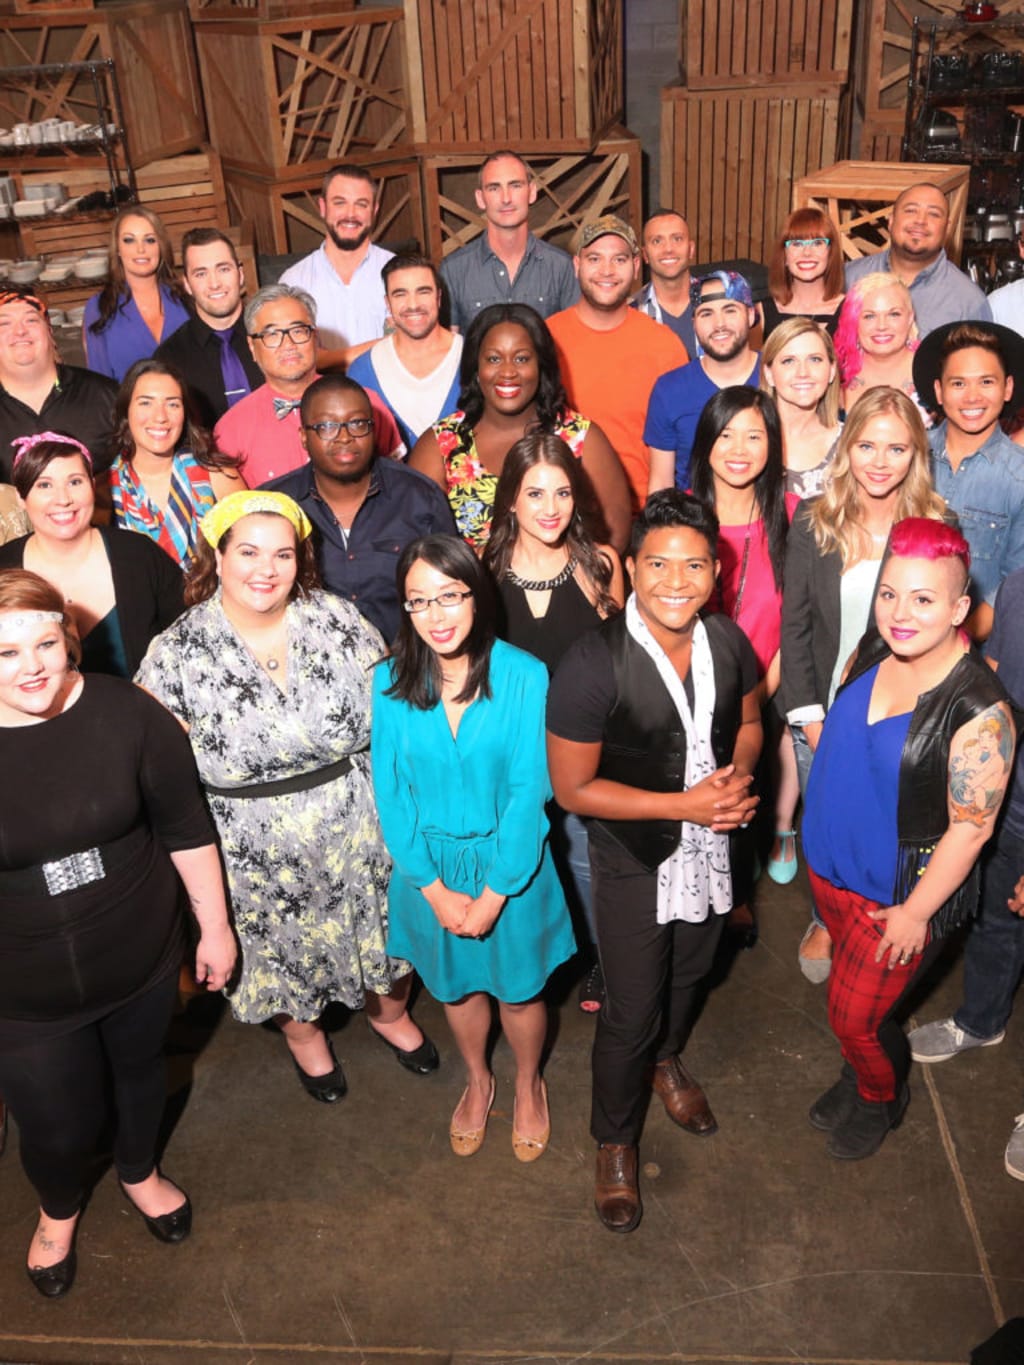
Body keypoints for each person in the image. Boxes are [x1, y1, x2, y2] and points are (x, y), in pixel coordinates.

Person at [137, 491, 437, 1100]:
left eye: (282, 554)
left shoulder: (337, 619)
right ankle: (305, 1037)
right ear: (217, 557)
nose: (266, 570)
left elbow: (394, 718)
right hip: (251, 848)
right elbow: (158, 775)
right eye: (248, 552)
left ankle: (390, 1015)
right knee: (277, 953)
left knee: (385, 933)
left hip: (359, 824)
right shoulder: (176, 653)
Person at [0, 569, 236, 1299]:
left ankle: (139, 1171)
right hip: (24, 992)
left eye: (45, 644)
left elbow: (186, 827)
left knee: (142, 1076)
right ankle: (58, 1207)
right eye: (6, 652)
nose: (32, 666)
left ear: (70, 640)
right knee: (55, 1122)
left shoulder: (128, 712)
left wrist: (215, 928)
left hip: (141, 959)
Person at [547, 491, 762, 1232]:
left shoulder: (727, 640)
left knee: (692, 972)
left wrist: (736, 778)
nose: (677, 580)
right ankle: (614, 1139)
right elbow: (573, 789)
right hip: (633, 856)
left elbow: (751, 720)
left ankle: (666, 1059)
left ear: (716, 571)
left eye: (694, 565)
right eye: (659, 564)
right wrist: (685, 805)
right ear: (631, 568)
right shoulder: (591, 663)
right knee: (630, 1007)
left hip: (713, 846)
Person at [801, 518, 1014, 1160]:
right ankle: (857, 1074)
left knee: (856, 1019)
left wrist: (917, 913)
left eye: (923, 599)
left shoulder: (979, 709)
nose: (899, 613)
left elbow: (971, 831)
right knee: (848, 1007)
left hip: (893, 902)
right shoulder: (875, 647)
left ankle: (880, 1096)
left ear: (959, 609)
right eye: (890, 593)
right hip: (828, 874)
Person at [371, 534, 575, 1161]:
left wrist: (493, 895)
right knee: (455, 989)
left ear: (476, 596)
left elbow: (528, 793)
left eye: (450, 596)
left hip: (511, 864)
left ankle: (528, 1081)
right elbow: (391, 796)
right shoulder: (388, 680)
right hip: (427, 870)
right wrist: (433, 890)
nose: (436, 615)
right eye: (419, 600)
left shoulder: (524, 675)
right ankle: (479, 1078)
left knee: (519, 991)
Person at [781, 387, 948, 981]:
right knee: (826, 828)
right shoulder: (813, 519)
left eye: (897, 448)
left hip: (902, 716)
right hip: (825, 712)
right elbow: (796, 626)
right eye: (867, 446)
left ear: (916, 454)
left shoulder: (936, 526)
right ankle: (824, 919)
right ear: (846, 448)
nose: (880, 461)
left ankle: (886, 916)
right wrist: (811, 720)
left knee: (888, 829)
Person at [483, 432, 624, 1011]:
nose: (550, 508)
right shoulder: (484, 570)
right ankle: (539, 964)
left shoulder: (601, 565)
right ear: (511, 499)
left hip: (586, 749)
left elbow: (622, 668)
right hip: (511, 752)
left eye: (562, 493)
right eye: (535, 493)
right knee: (524, 864)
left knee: (588, 864)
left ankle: (602, 960)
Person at [906, 563, 1024, 1182]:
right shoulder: (1020, 582)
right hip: (1009, 807)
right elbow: (993, 682)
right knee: (994, 922)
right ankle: (982, 1020)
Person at [689, 387, 799, 906]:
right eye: (727, 434)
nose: (739, 449)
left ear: (772, 445)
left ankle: (740, 896)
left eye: (754, 436)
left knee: (747, 794)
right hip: (688, 694)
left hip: (768, 689)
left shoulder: (794, 516)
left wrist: (756, 696)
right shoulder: (680, 514)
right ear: (706, 442)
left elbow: (799, 621)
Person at [409, 302, 630, 553]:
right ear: (476, 367)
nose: (507, 372)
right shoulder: (441, 444)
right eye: (494, 359)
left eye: (521, 359)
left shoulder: (581, 438)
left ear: (541, 365)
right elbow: (419, 547)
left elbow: (614, 539)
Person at [263, 375, 456, 642]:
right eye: (327, 426)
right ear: (304, 437)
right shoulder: (272, 505)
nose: (344, 437)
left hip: (406, 662)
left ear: (374, 430)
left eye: (357, 423)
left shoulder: (419, 497)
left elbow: (454, 592)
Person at [0, 432, 182, 675]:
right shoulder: (4, 568)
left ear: (93, 486)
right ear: (21, 497)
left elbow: (191, 641)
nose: (63, 499)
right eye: (44, 485)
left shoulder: (139, 554)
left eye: (75, 482)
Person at [547, 215, 687, 510]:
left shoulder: (665, 345)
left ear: (636, 266)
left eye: (619, 259)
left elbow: (682, 443)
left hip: (644, 511)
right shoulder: (547, 338)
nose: (607, 271)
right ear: (577, 265)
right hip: (562, 511)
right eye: (594, 258)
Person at [213, 284, 401, 488]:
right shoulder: (231, 429)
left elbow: (397, 486)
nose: (288, 344)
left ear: (315, 337)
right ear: (252, 346)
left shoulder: (367, 403)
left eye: (298, 331)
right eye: (272, 334)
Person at [913, 321, 1024, 642]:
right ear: (939, 391)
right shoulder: (908, 455)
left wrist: (950, 647)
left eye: (986, 382)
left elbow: (1011, 588)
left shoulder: (1018, 479)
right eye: (958, 383)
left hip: (976, 652)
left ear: (1007, 388)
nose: (972, 397)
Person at [95, 359, 240, 569]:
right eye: (146, 403)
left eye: (172, 404)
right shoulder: (103, 488)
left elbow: (251, 551)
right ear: (126, 410)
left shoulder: (217, 475)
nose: (160, 417)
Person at [645, 270, 761, 495]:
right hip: (694, 514)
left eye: (730, 310)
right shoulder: (669, 390)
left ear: (750, 315)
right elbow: (660, 484)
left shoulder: (779, 377)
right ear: (694, 323)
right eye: (706, 314)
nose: (719, 324)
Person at [440, 150, 578, 331]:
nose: (506, 198)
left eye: (515, 185)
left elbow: (573, 339)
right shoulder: (453, 270)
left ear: (532, 192)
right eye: (494, 188)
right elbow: (447, 344)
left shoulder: (562, 267)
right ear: (480, 198)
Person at [279, 163, 393, 365]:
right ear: (323, 207)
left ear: (374, 210)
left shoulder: (400, 272)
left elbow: (410, 349)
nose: (350, 214)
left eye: (361, 204)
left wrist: (326, 358)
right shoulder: (294, 282)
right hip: (322, 387)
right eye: (340, 203)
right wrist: (385, 346)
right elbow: (298, 360)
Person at [347, 254, 462, 451]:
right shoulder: (363, 371)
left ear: (438, 297)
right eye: (400, 294)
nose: (413, 305)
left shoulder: (472, 358)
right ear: (387, 303)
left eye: (423, 292)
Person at [844, 183, 991, 337]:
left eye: (934, 214)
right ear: (891, 221)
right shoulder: (848, 279)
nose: (920, 220)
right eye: (911, 210)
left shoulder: (969, 302)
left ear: (947, 229)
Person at [0, 287, 117, 480]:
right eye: (4, 323)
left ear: (49, 331)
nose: (20, 331)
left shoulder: (106, 395)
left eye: (31, 320)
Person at [154, 227, 264, 429]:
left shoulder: (273, 336)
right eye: (201, 274)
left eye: (223, 269)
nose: (214, 283)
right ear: (187, 284)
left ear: (240, 275)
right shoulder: (169, 358)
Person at [83, 206, 191, 383]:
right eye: (129, 240)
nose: (141, 249)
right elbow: (99, 383)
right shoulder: (99, 307)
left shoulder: (185, 297)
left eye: (150, 240)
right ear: (117, 249)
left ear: (161, 246)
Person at [760, 316, 842, 500]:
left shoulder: (851, 443)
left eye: (815, 359)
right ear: (769, 374)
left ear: (832, 370)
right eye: (789, 361)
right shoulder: (746, 440)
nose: (803, 372)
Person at [834, 273, 925, 418]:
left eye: (894, 314)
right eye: (869, 316)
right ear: (854, 321)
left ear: (910, 318)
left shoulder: (935, 373)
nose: (881, 326)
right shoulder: (834, 376)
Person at [762, 208, 845, 339]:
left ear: (830, 253)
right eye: (797, 244)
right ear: (784, 255)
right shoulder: (760, 313)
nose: (807, 253)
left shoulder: (851, 310)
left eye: (817, 243)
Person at [632, 209, 698, 355]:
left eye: (677, 239)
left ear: (691, 249)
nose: (668, 249)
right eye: (657, 241)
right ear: (645, 255)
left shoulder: (721, 303)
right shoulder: (631, 313)